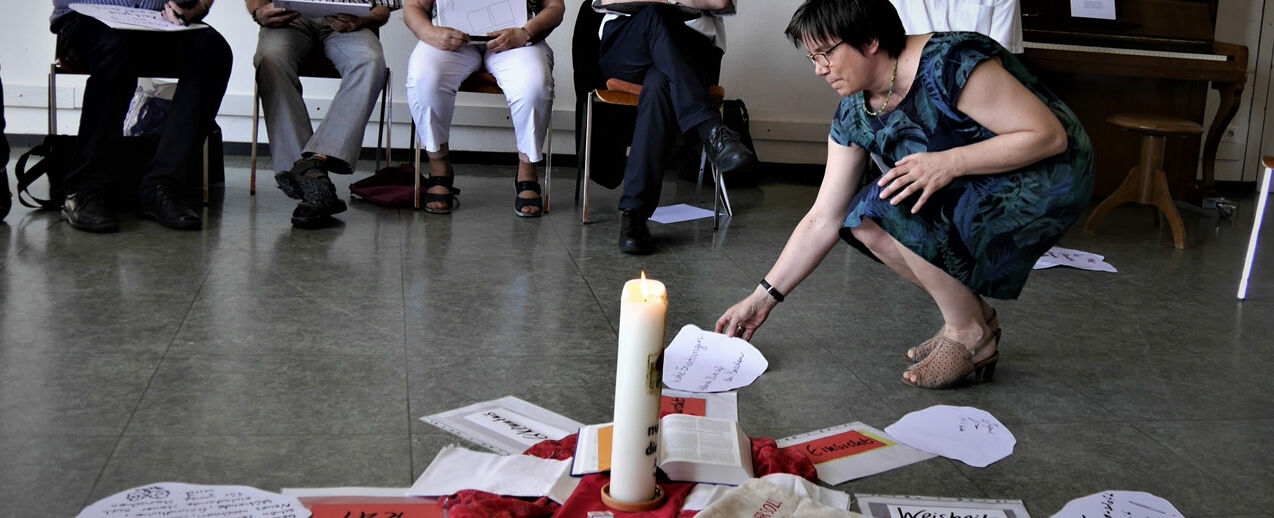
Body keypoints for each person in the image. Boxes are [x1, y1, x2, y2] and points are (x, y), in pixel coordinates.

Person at [715, 0, 1093, 389]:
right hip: (976, 180)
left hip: (1047, 174)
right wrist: (763, 298)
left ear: (871, 40)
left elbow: (1048, 136)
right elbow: (821, 217)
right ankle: (974, 319)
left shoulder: (951, 62)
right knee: (861, 218)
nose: (819, 69)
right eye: (812, 57)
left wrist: (948, 163)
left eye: (826, 53)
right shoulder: (853, 113)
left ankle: (968, 334)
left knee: (890, 200)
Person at [51, 0, 231, 232]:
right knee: (115, 48)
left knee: (213, 49)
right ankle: (84, 189)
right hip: (86, 17)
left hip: (155, 21)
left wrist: (198, 7)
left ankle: (162, 186)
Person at [593, 0, 756, 254]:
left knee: (659, 83)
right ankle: (710, 129)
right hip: (629, 40)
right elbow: (608, 1)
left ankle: (634, 215)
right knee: (655, 15)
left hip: (694, 45)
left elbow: (720, 1)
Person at [403, 0, 565, 218]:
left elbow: (555, 7)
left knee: (534, 84)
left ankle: (527, 169)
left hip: (516, 39)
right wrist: (429, 33)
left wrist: (526, 33)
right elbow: (412, 6)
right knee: (424, 78)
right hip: (449, 40)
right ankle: (438, 165)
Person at [248, 0, 400, 229]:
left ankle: (313, 166)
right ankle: (309, 177)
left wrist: (365, 19)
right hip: (289, 19)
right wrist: (259, 12)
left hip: (349, 22)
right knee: (270, 59)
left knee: (370, 60)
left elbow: (382, 8)